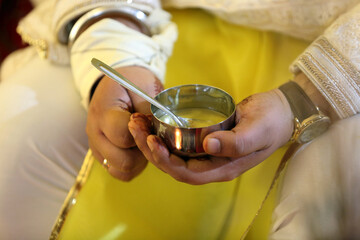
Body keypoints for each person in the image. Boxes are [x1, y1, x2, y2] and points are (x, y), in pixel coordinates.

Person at [0, 0, 359, 239]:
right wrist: (115, 47)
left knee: (318, 209)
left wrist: (307, 95)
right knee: (14, 147)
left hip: (339, 55)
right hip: (157, 21)